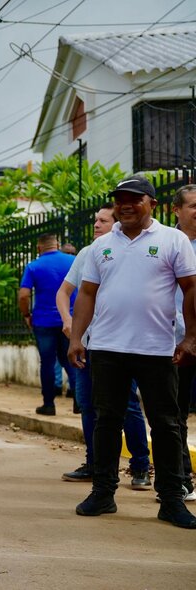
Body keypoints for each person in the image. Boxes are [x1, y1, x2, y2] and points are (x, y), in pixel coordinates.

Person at [68, 174, 196, 529]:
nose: (126, 204)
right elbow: (88, 294)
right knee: (107, 421)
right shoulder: (101, 246)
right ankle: (103, 493)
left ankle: (171, 498)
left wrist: (190, 338)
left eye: (134, 199)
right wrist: (77, 338)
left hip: (156, 349)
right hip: (107, 348)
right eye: (121, 198)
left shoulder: (173, 241)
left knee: (167, 424)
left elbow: (191, 289)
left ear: (151, 204)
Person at [55, 203, 150, 487]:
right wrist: (68, 320)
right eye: (95, 220)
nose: (96, 224)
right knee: (87, 404)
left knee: (128, 406)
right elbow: (65, 292)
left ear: (118, 222)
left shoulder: (134, 251)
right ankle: (95, 464)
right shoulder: (88, 253)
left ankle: (140, 467)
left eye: (103, 220)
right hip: (89, 343)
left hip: (123, 344)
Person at [18, 233, 75, 416]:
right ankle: (80, 402)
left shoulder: (33, 266)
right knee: (72, 360)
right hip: (70, 319)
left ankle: (49, 404)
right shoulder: (73, 261)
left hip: (43, 321)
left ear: (38, 248)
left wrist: (27, 314)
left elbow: (24, 295)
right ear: (57, 244)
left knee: (48, 363)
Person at [171, 184, 196, 501]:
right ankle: (180, 479)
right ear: (176, 209)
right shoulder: (166, 243)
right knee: (173, 415)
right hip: (174, 342)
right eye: (193, 205)